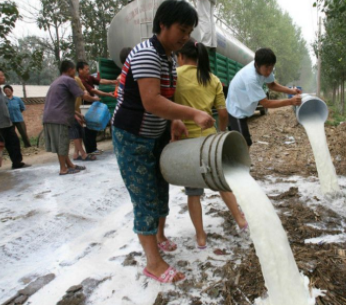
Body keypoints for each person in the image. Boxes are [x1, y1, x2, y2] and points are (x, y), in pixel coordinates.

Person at [112, 0, 214, 283]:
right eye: (182, 29)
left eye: (190, 31)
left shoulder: (169, 57)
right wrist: (192, 113)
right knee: (144, 196)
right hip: (133, 137)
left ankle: (159, 236)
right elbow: (151, 101)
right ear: (162, 25)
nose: (186, 37)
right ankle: (153, 263)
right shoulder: (146, 54)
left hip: (155, 135)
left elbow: (165, 100)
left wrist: (175, 120)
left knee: (159, 188)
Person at [174, 39, 248, 249]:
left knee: (193, 192)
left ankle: (200, 236)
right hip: (209, 141)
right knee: (220, 182)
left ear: (181, 56)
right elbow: (223, 113)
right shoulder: (213, 79)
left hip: (186, 143)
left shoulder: (175, 76)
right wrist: (221, 133)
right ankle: (241, 220)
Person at [226, 48, 302, 147]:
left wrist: (291, 91)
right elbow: (266, 103)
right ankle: (241, 161)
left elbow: (272, 85)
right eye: (267, 68)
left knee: (242, 142)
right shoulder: (251, 78)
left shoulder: (266, 68)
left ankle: (240, 160)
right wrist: (290, 101)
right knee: (243, 143)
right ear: (257, 65)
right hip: (236, 109)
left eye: (271, 68)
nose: (269, 72)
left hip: (243, 106)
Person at [42, 60, 88, 175]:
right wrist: (97, 99)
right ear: (70, 70)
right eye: (74, 70)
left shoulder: (57, 81)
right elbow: (82, 95)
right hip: (58, 117)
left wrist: (77, 114)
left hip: (50, 116)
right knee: (63, 143)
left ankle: (69, 165)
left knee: (61, 143)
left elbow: (61, 103)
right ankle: (63, 169)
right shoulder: (69, 80)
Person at [77, 61, 117, 155]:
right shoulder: (80, 81)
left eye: (88, 69)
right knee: (87, 129)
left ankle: (94, 148)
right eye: (86, 69)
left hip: (92, 105)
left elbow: (100, 81)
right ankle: (90, 150)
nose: (88, 71)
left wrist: (113, 81)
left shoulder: (89, 78)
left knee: (93, 127)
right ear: (80, 70)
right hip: (85, 107)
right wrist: (108, 94)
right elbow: (94, 90)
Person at [0, 68, 30, 169]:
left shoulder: (1, 92)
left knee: (14, 142)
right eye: (2, 76)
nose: (3, 77)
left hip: (8, 124)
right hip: (1, 125)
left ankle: (17, 163)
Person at [70, 76, 101, 161]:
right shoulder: (75, 79)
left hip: (75, 109)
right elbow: (84, 95)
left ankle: (76, 154)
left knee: (79, 131)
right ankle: (83, 154)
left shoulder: (74, 80)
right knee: (76, 133)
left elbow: (84, 91)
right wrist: (94, 99)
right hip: (70, 110)